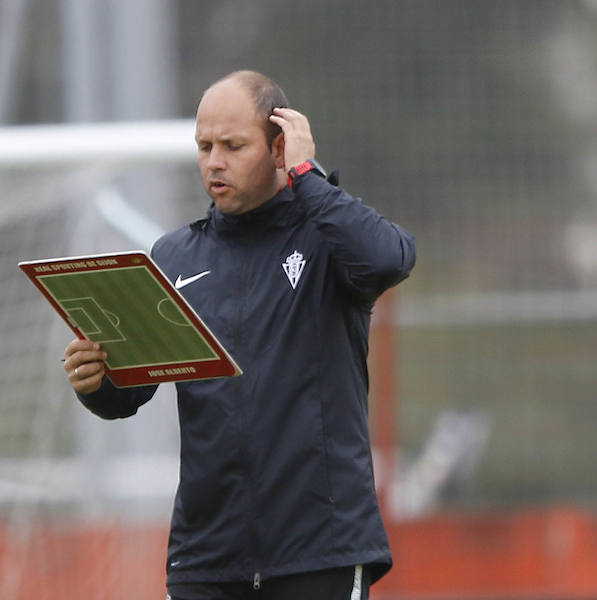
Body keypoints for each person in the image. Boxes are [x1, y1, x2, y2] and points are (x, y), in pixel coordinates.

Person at [63, 70, 416, 600]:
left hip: (319, 552)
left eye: (233, 145)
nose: (214, 161)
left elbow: (390, 258)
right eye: (204, 146)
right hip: (207, 559)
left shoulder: (327, 239)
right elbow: (131, 390)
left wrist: (307, 176)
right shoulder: (174, 257)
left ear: (279, 148)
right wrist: (97, 383)